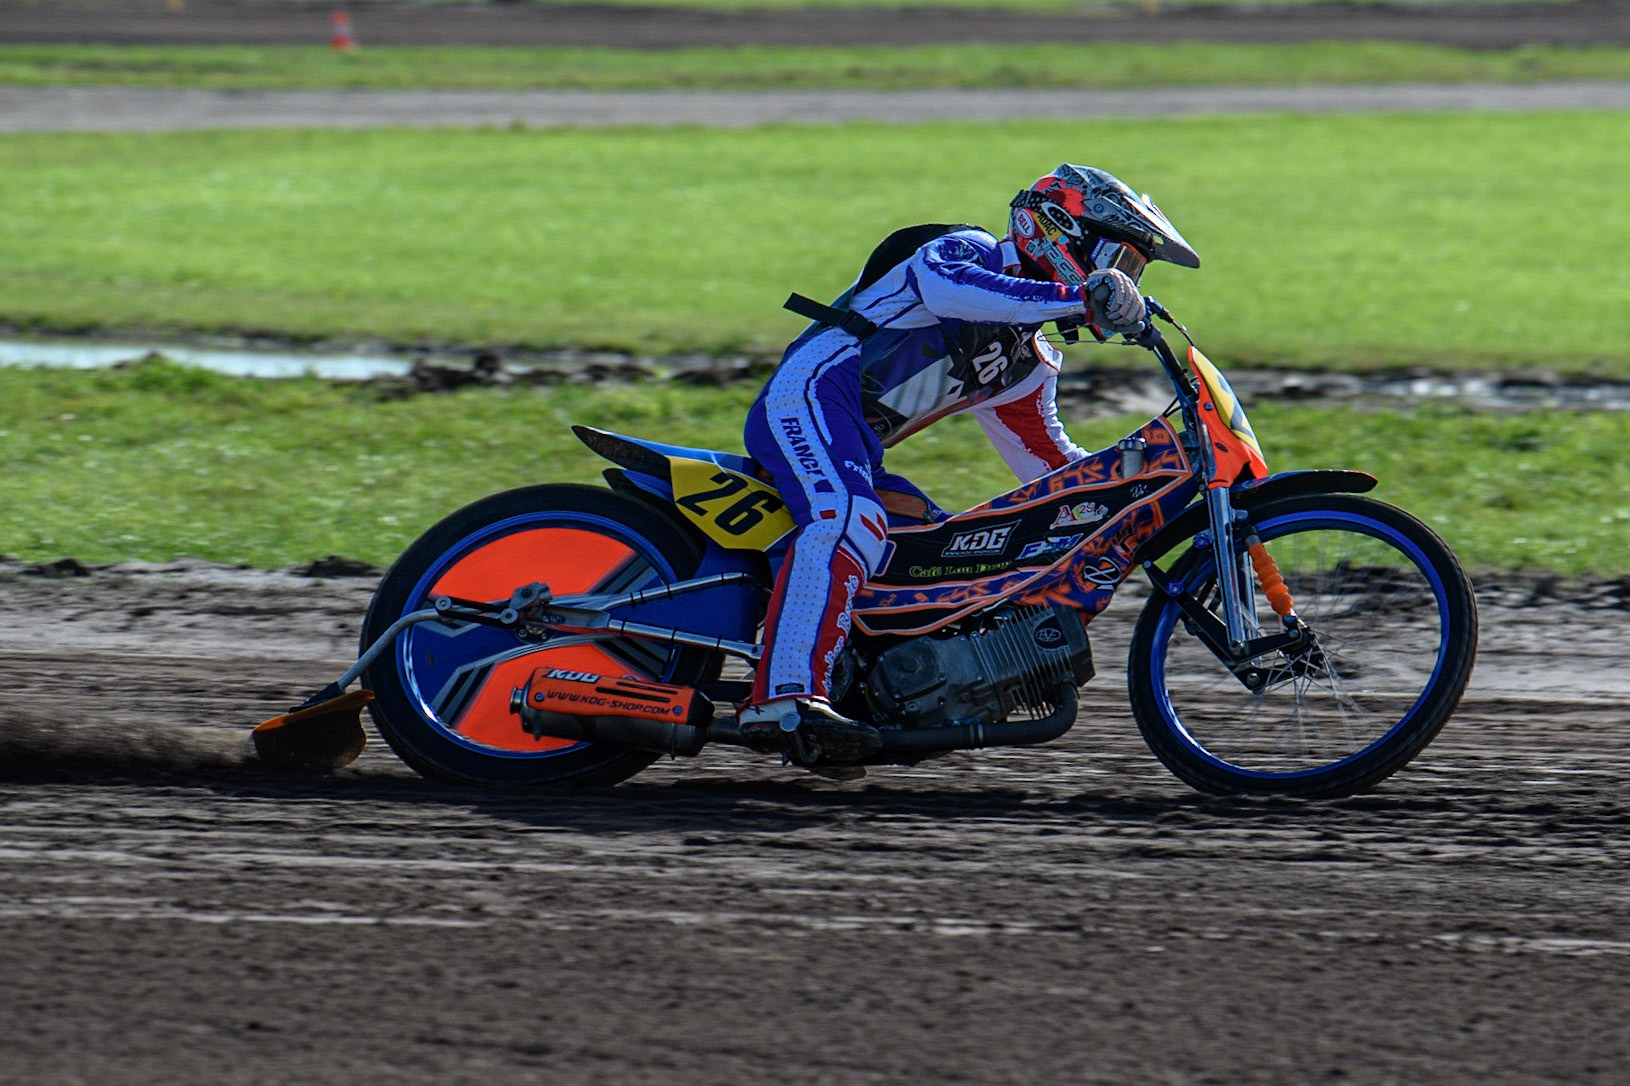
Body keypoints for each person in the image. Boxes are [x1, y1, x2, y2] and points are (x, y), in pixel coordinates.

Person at [738, 163, 1200, 766]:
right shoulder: (969, 251)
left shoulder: (1026, 366)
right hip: (811, 391)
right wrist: (1077, 298)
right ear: (1060, 228)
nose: (1123, 282)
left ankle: (859, 700)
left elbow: (1053, 469)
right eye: (1120, 261)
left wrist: (1141, 498)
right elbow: (949, 292)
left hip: (855, 445)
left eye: (1134, 273)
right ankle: (782, 699)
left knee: (939, 554)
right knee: (849, 519)